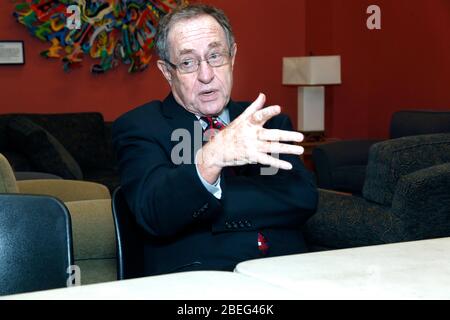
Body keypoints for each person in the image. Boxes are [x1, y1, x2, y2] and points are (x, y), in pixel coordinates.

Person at [112, 4, 318, 276]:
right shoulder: (140, 127)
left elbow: (302, 199)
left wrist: (203, 200)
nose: (206, 75)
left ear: (232, 57)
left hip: (290, 275)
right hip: (200, 283)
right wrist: (212, 157)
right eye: (188, 62)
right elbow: (155, 214)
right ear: (166, 71)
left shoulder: (269, 123)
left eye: (215, 56)